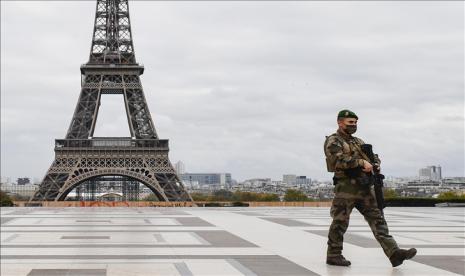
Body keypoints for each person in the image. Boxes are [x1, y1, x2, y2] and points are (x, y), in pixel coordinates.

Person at [324, 109, 417, 267]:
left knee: (378, 220)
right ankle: (333, 254)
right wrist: (361, 163)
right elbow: (337, 160)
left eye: (355, 123)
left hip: (365, 188)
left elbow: (374, 157)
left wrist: (375, 164)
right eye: (350, 122)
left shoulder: (358, 142)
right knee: (340, 222)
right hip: (346, 188)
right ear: (340, 122)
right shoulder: (334, 140)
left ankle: (394, 253)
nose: (354, 125)